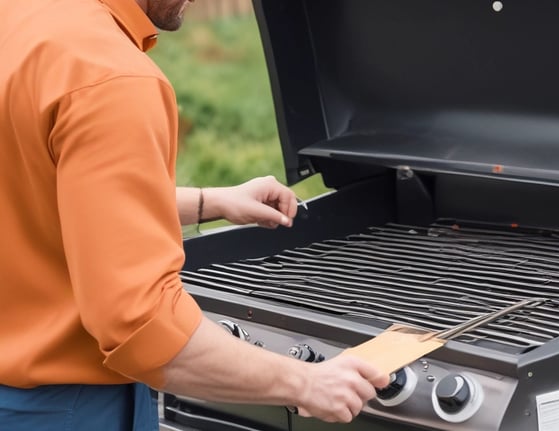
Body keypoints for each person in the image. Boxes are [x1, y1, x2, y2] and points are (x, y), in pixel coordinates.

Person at [0, 0, 390, 429]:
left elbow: (39, 185)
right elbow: (141, 325)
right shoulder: (109, 77)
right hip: (65, 411)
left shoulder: (19, 20)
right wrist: (306, 383)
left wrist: (212, 201)